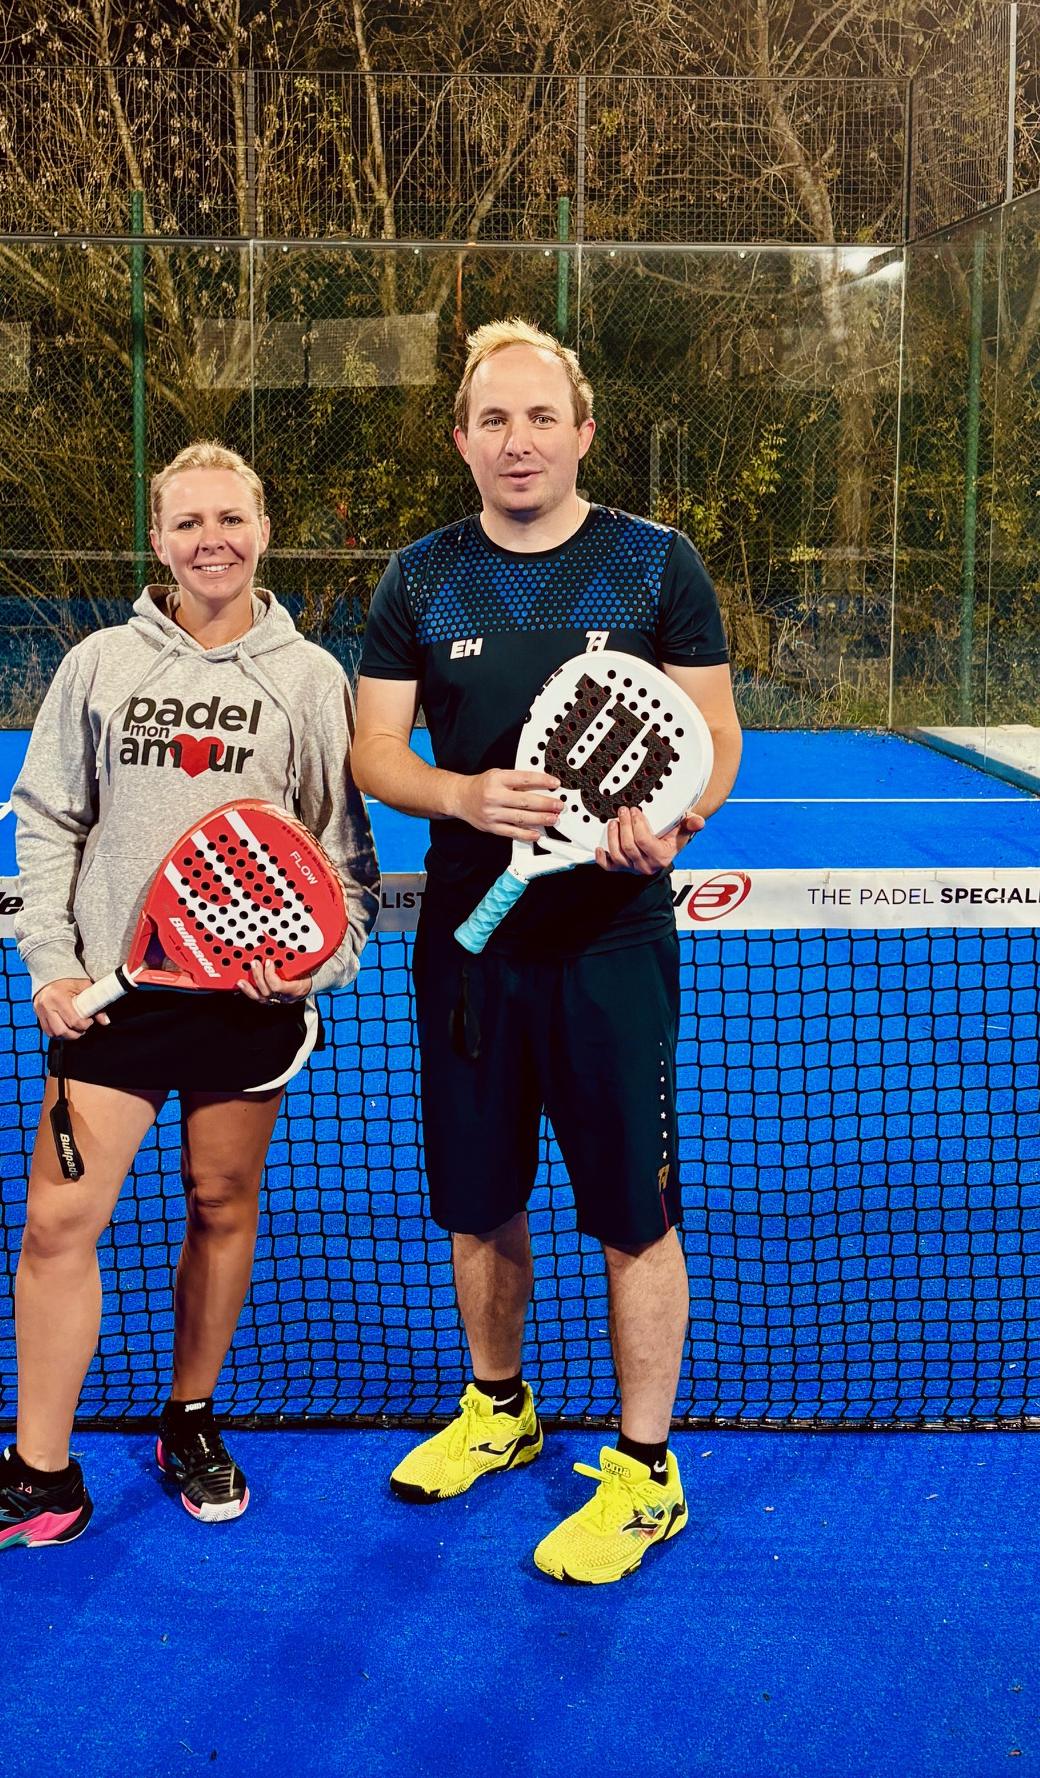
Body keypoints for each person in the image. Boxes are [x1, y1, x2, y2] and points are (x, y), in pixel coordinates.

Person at [0, 441, 379, 1563]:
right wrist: (53, 968)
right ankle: (42, 1473)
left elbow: (344, 871)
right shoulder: (101, 663)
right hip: (115, 1004)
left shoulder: (310, 678)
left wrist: (315, 963)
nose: (210, 538)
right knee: (59, 1222)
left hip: (249, 1001)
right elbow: (50, 819)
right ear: (156, 539)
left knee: (221, 1204)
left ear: (263, 528)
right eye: (186, 522)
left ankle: (189, 1420)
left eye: (230, 517)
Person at [351, 318, 742, 1585]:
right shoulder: (419, 578)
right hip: (470, 953)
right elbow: (374, 754)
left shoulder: (656, 565)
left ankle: (644, 1473)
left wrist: (673, 823)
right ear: (462, 439)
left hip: (611, 942)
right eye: (493, 420)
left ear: (581, 431)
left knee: (636, 1211)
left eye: (540, 418)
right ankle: (500, 1407)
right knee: (479, 1197)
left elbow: (715, 735)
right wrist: (461, 799)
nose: (517, 441)